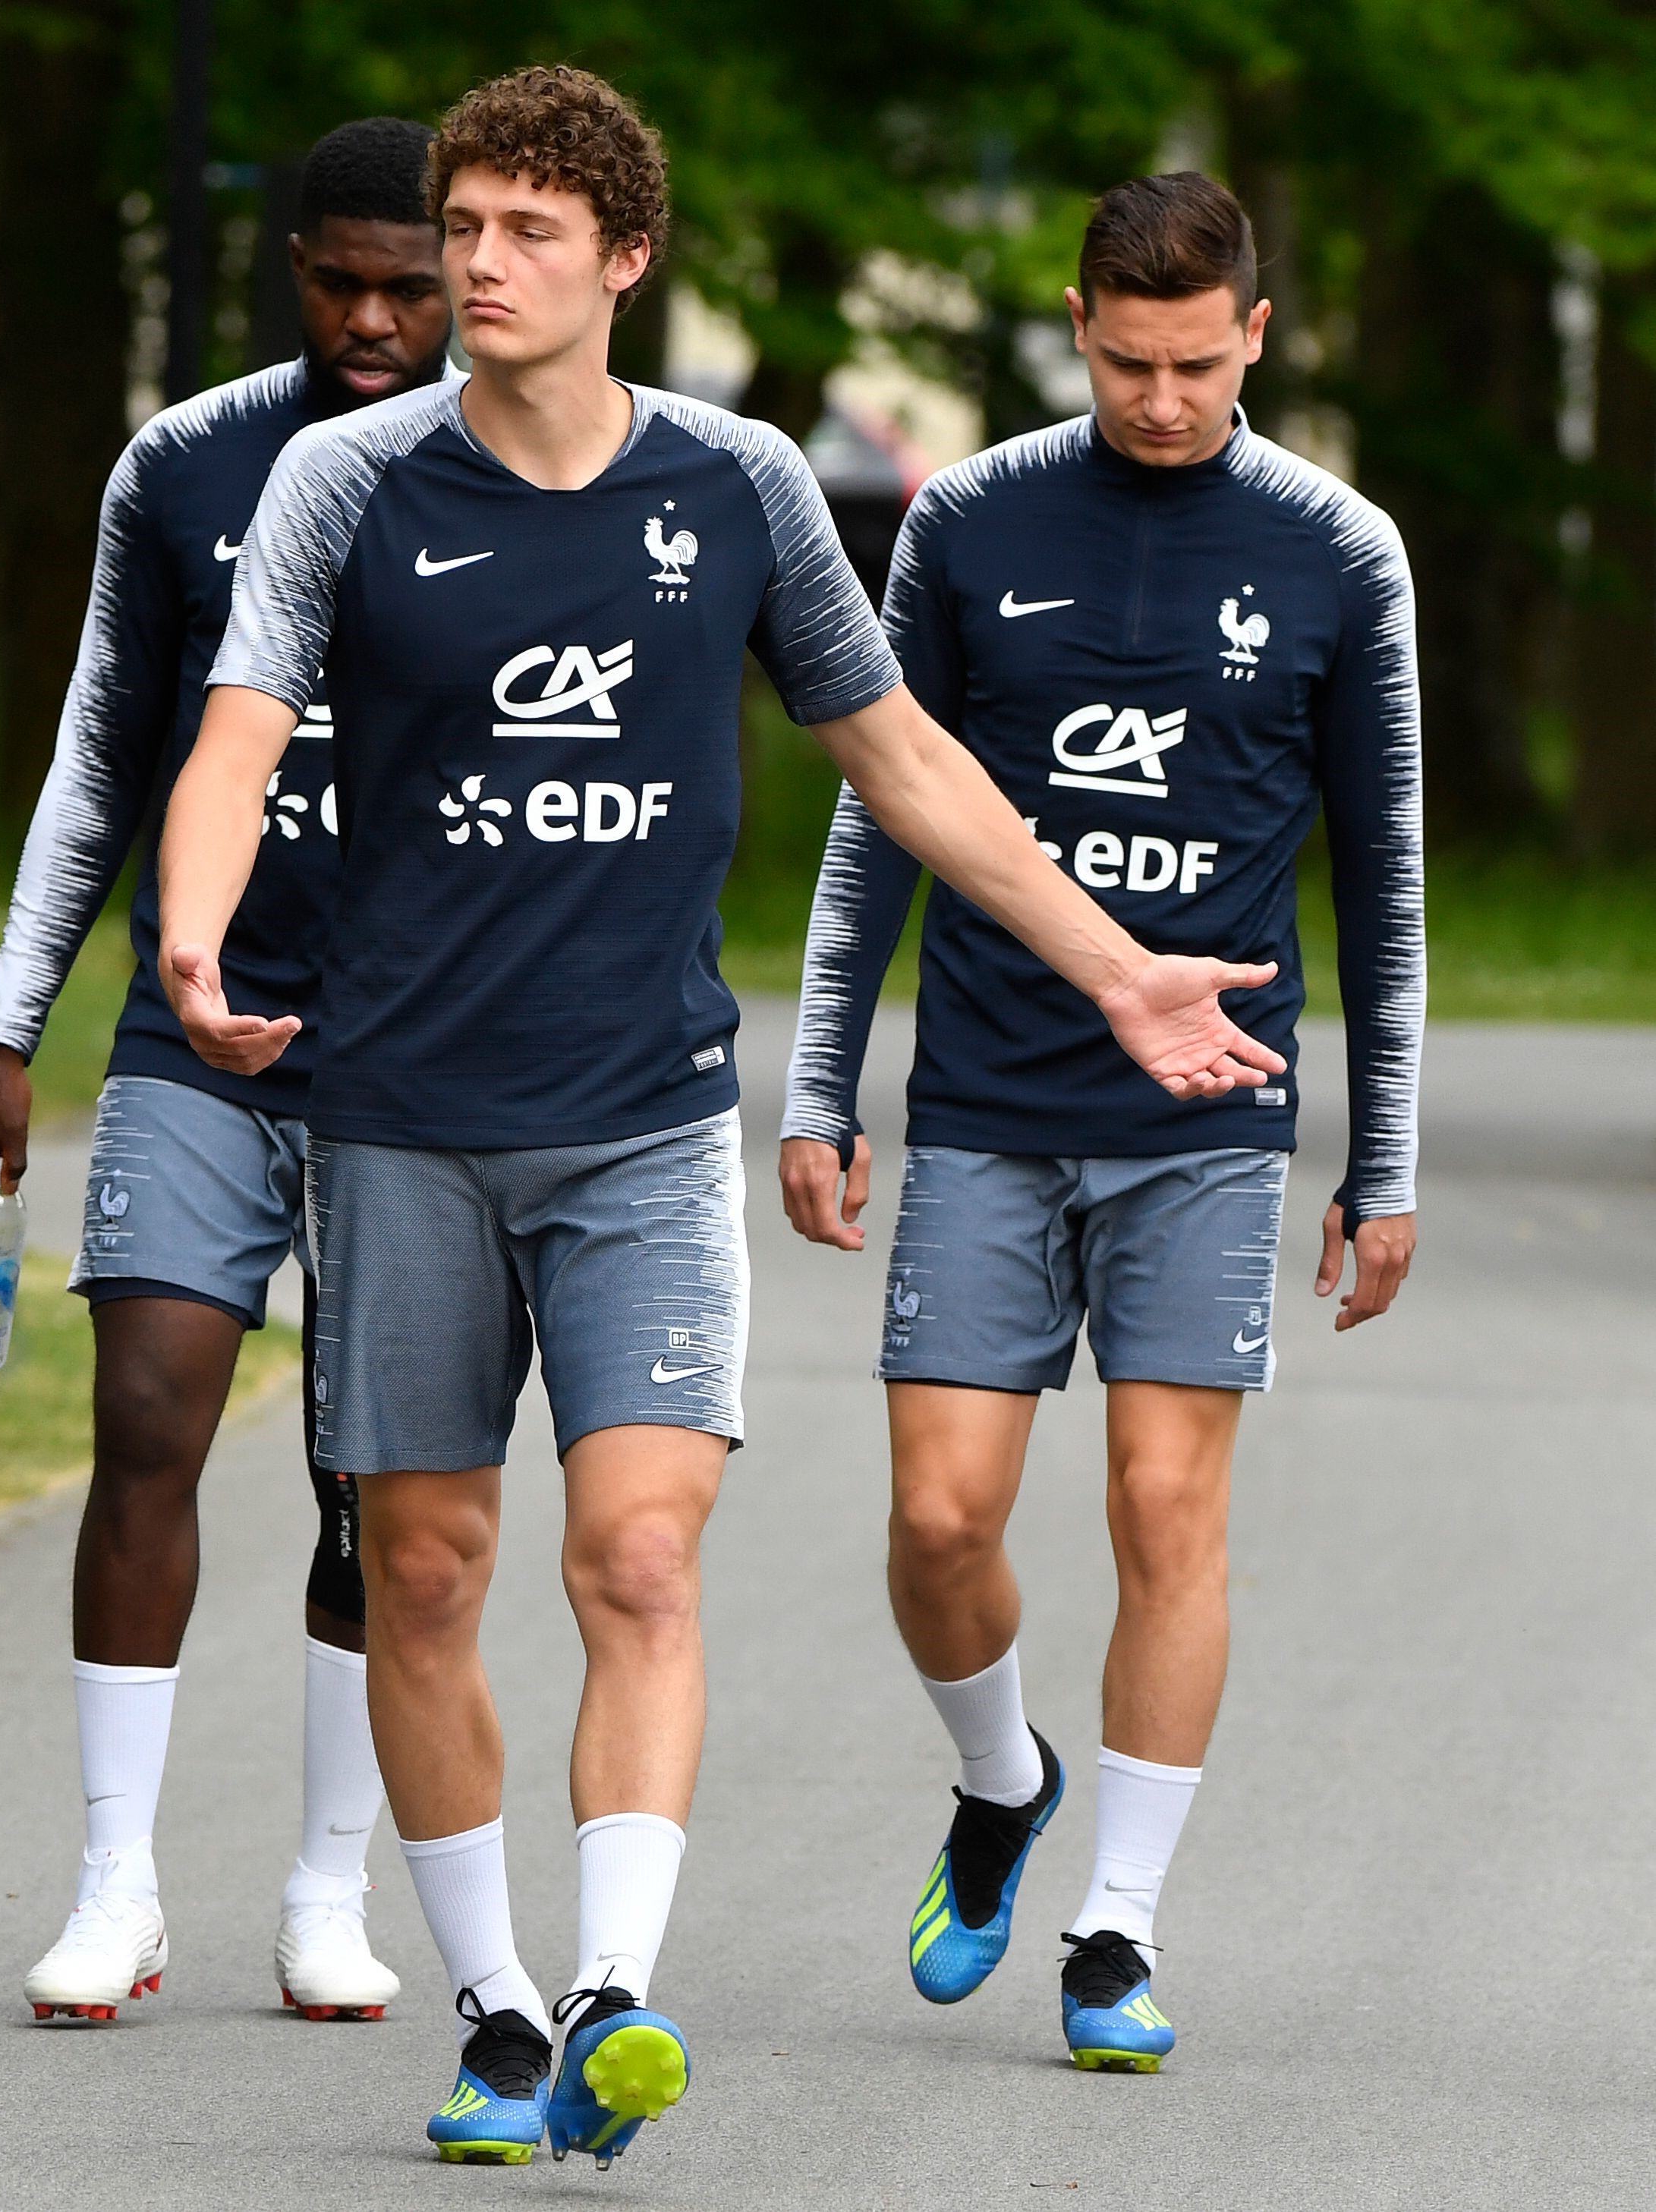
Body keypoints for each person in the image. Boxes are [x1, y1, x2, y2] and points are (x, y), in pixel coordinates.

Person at [162, 67, 1290, 2170]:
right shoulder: (346, 481)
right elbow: (235, 731)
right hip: (395, 1112)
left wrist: (1111, 959)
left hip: (639, 1124)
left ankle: (608, 1993)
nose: (475, 266)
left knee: (638, 1549)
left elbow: (906, 758)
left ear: (621, 258)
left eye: (520, 232)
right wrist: (194, 926)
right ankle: (492, 2004)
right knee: (418, 1566)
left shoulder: (740, 486)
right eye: (461, 225)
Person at [776, 171, 1421, 2074]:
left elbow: (1377, 879)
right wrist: (822, 1084)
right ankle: (1000, 1786)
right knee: (935, 1517)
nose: (1160, 400)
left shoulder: (1337, 547)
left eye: (1196, 366)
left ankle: (1115, 1936)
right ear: (1078, 323)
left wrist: (1378, 1158)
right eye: (1127, 362)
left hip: (1209, 1120)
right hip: (986, 1100)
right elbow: (876, 808)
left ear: (1255, 336)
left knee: (1163, 1505)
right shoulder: (967, 518)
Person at [0, 115, 452, 2027]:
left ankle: (328, 1891)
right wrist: (5, 1031)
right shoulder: (184, 464)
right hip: (192, 1033)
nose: (375, 317)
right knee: (147, 1410)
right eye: (339, 280)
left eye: (411, 282)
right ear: (289, 266)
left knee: (360, 1478)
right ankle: (113, 1884)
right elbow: (99, 759)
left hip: (415, 1055)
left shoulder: (531, 457)